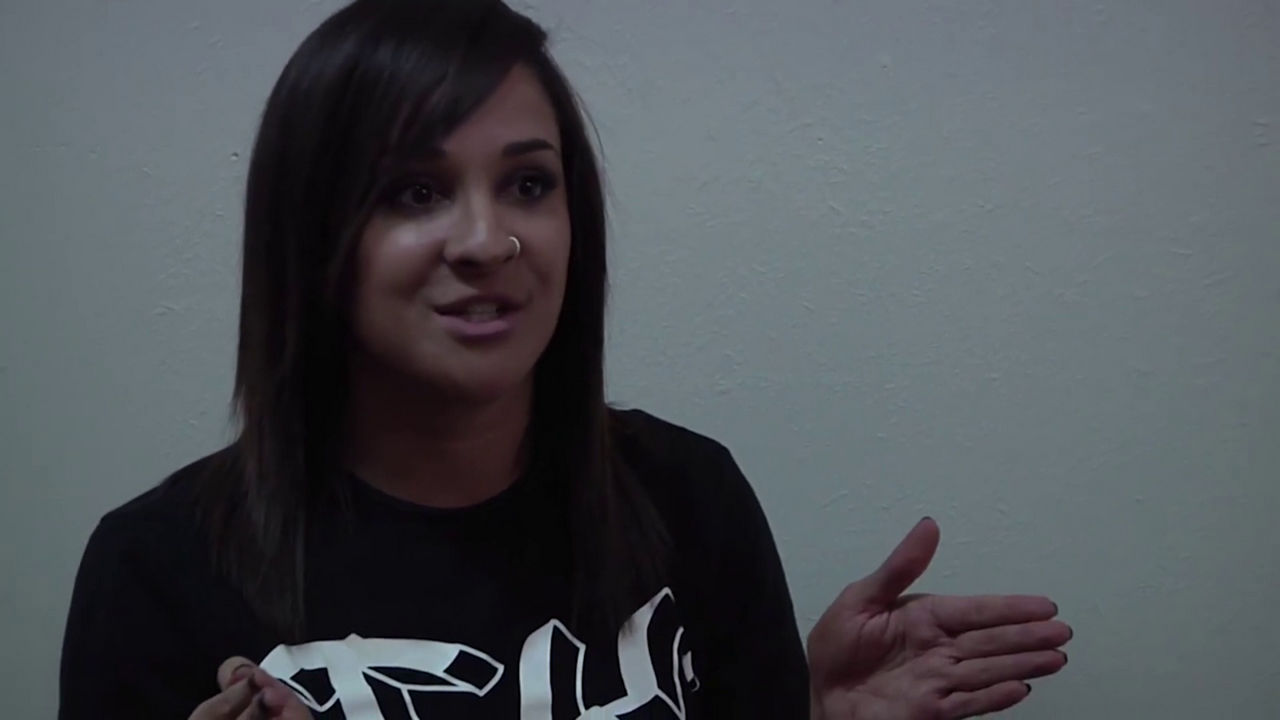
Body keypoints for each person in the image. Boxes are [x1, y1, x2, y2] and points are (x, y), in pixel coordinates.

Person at [57, 1, 1073, 718]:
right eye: (415, 191)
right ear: (311, 232)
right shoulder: (156, 569)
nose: (487, 241)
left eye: (529, 185)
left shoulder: (690, 497)